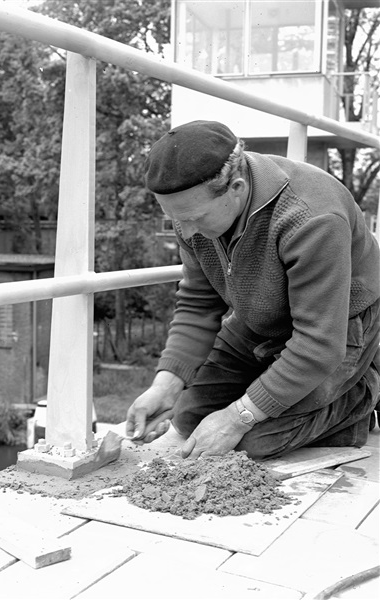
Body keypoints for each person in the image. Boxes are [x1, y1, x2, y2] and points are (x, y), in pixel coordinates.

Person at [125, 120, 380, 460]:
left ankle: (362, 391)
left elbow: (318, 343)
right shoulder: (191, 210)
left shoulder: (312, 216)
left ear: (237, 187)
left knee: (253, 442)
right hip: (261, 315)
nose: (186, 231)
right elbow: (199, 304)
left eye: (195, 218)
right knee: (189, 419)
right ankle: (288, 381)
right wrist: (166, 385)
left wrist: (237, 417)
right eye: (174, 218)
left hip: (340, 320)